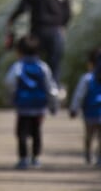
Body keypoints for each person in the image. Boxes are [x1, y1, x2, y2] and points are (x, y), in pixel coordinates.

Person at [7, 0, 71, 81]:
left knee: (33, 62)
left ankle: (33, 88)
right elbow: (68, 13)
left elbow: (22, 7)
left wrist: (12, 19)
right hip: (55, 31)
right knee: (54, 64)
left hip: (38, 31)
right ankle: (53, 91)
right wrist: (63, 26)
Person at [4, 34, 60, 169]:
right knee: (36, 132)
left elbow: (9, 82)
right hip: (39, 106)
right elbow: (50, 86)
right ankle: (36, 158)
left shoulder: (18, 66)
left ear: (19, 51)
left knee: (21, 133)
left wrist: (11, 96)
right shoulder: (43, 66)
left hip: (23, 105)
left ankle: (23, 159)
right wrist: (53, 104)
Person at [68, 47, 101, 167]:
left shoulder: (87, 78)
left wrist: (74, 108)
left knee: (89, 135)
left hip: (90, 112)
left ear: (90, 63)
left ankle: (88, 155)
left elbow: (79, 95)